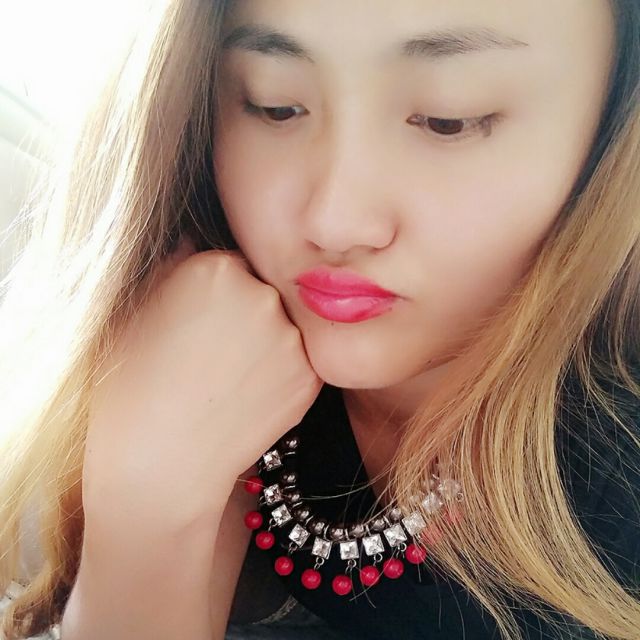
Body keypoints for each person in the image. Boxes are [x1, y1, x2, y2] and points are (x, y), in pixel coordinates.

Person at [0, 0, 638, 639]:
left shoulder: (617, 478)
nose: (333, 223)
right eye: (275, 106)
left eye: (450, 119)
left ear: (611, 126)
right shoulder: (203, 327)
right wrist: (148, 506)